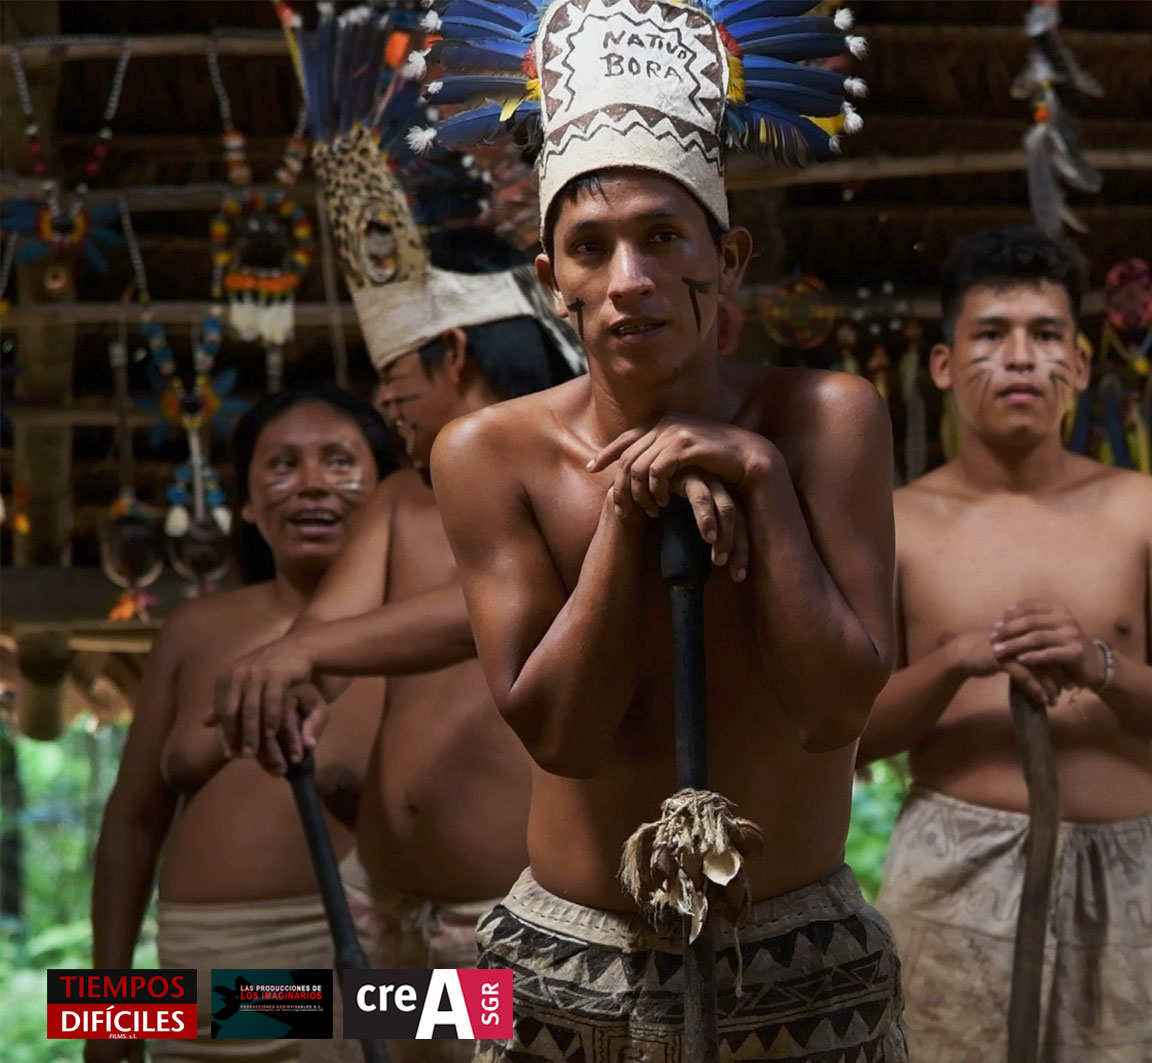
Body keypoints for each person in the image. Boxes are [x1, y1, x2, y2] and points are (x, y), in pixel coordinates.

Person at [419, 1, 899, 1058]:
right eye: (590, 248)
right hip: (564, 964)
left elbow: (834, 709)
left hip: (800, 961)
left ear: (725, 260)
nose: (628, 280)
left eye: (662, 237)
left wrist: (762, 479)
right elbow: (562, 735)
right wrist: (629, 518)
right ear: (553, 283)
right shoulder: (487, 456)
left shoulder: (825, 420)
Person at [858, 225, 1152, 1063]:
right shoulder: (900, 523)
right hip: (952, 869)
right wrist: (956, 660)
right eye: (990, 334)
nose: (1020, 357)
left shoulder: (1146, 510)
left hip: (1123, 868)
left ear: (1081, 365)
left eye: (1046, 335)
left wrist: (1100, 665)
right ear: (944, 365)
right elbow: (849, 734)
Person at [211, 232, 578, 1063]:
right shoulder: (401, 501)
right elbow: (323, 648)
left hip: (509, 930)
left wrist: (307, 652)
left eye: (392, 375)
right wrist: (289, 679)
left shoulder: (574, 470)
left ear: (453, 352)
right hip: (381, 912)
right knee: (207, 1013)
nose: (384, 403)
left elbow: (493, 610)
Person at [90, 384, 400, 1063]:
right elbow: (132, 818)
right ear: (249, 504)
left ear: (389, 495)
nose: (312, 485)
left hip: (379, 967)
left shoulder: (429, 626)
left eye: (340, 462)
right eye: (282, 465)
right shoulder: (194, 628)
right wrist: (105, 1009)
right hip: (200, 969)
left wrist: (459, 1001)